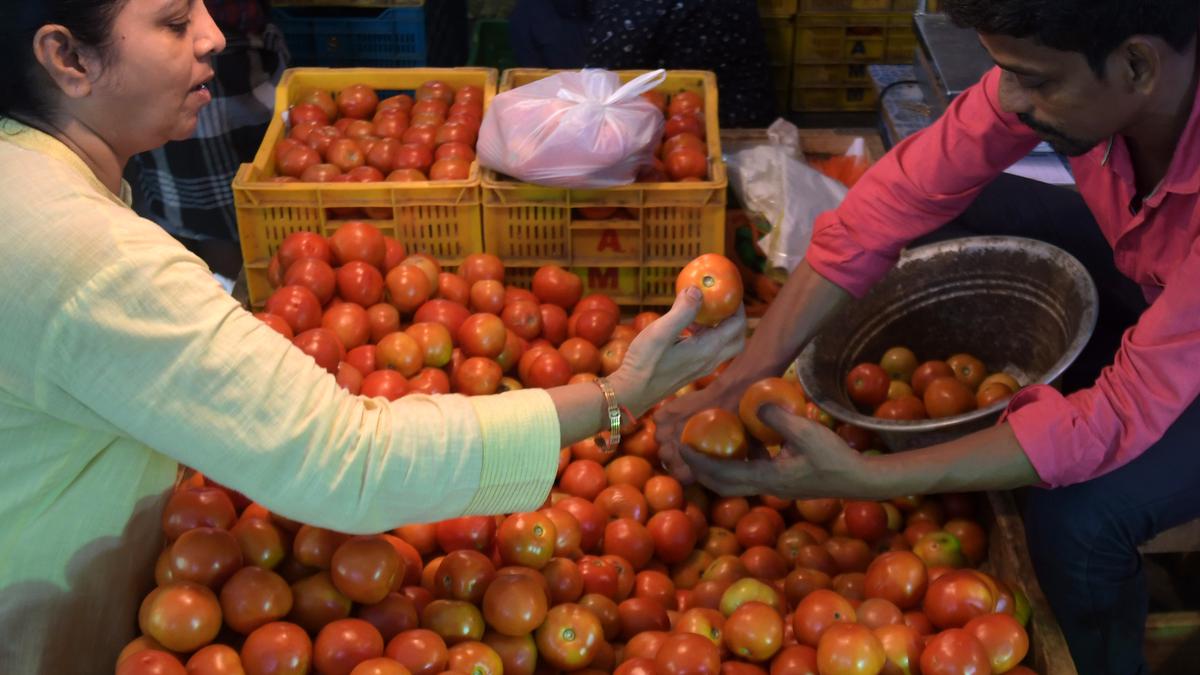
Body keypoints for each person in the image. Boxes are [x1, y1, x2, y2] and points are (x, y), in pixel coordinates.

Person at [0, 0, 745, 671]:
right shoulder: (88, 254)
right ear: (68, 58)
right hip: (43, 626)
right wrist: (621, 396)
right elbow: (349, 459)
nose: (214, 34)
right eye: (172, 21)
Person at [655, 0, 1200, 672]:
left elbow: (1117, 416)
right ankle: (1021, 420)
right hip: (1158, 277)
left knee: (1081, 521)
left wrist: (869, 478)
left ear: (1138, 65)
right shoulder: (1070, 79)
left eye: (1036, 80)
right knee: (947, 216)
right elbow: (887, 208)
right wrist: (742, 375)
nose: (1011, 98)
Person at [124, 0, 287, 281]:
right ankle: (236, 284)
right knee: (213, 214)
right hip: (191, 68)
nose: (215, 39)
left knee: (251, 190)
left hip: (246, 44)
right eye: (177, 20)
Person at [509, 0, 776, 128]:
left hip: (717, 129)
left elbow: (599, 89)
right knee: (533, 14)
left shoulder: (632, 17)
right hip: (725, 102)